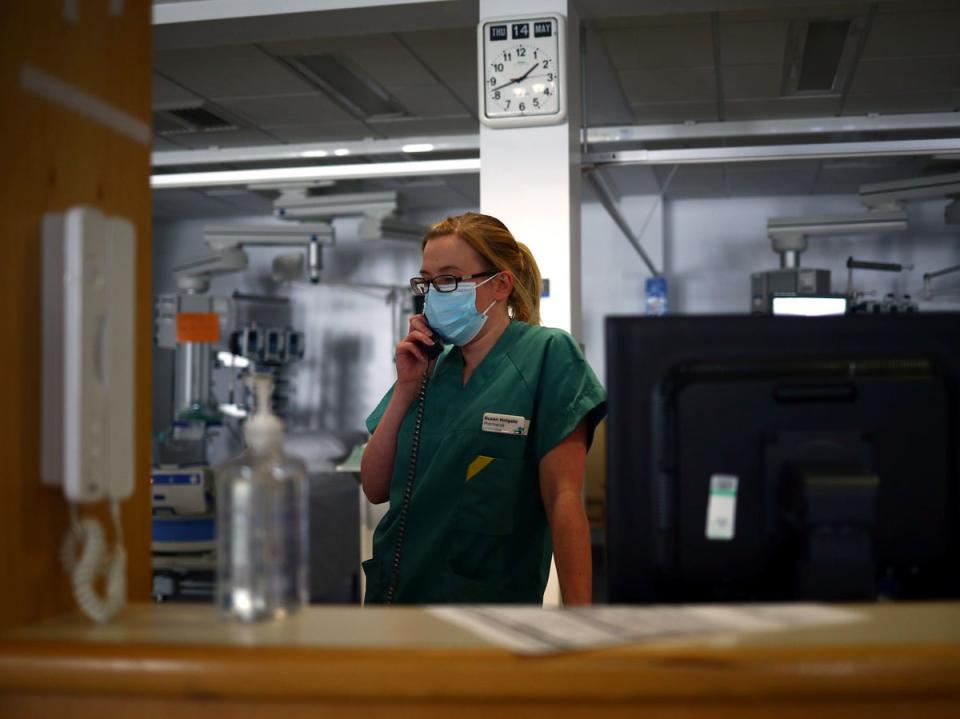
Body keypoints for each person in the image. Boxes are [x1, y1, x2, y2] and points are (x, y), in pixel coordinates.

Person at [360, 212, 606, 604]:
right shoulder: (429, 368)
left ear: (500, 285)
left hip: (489, 607)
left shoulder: (546, 356)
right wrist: (406, 388)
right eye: (427, 281)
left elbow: (563, 498)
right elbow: (374, 488)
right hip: (397, 602)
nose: (435, 293)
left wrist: (580, 622)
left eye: (449, 279)